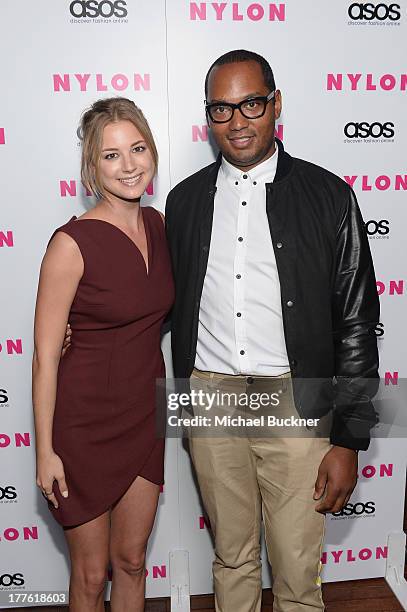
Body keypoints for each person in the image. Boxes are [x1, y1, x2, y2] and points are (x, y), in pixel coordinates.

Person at [165, 50, 379, 611]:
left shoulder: (329, 196)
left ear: (276, 104)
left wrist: (349, 438)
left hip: (295, 398)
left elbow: (356, 321)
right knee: (231, 557)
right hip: (211, 396)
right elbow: (160, 300)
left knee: (294, 566)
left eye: (251, 104)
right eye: (222, 109)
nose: (237, 122)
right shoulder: (184, 202)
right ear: (207, 117)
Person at [32, 97, 174, 612]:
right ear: (92, 167)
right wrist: (45, 451)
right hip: (83, 429)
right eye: (111, 155)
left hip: (145, 416)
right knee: (91, 578)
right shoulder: (71, 244)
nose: (129, 164)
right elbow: (46, 357)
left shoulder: (161, 227)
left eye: (138, 149)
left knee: (132, 561)